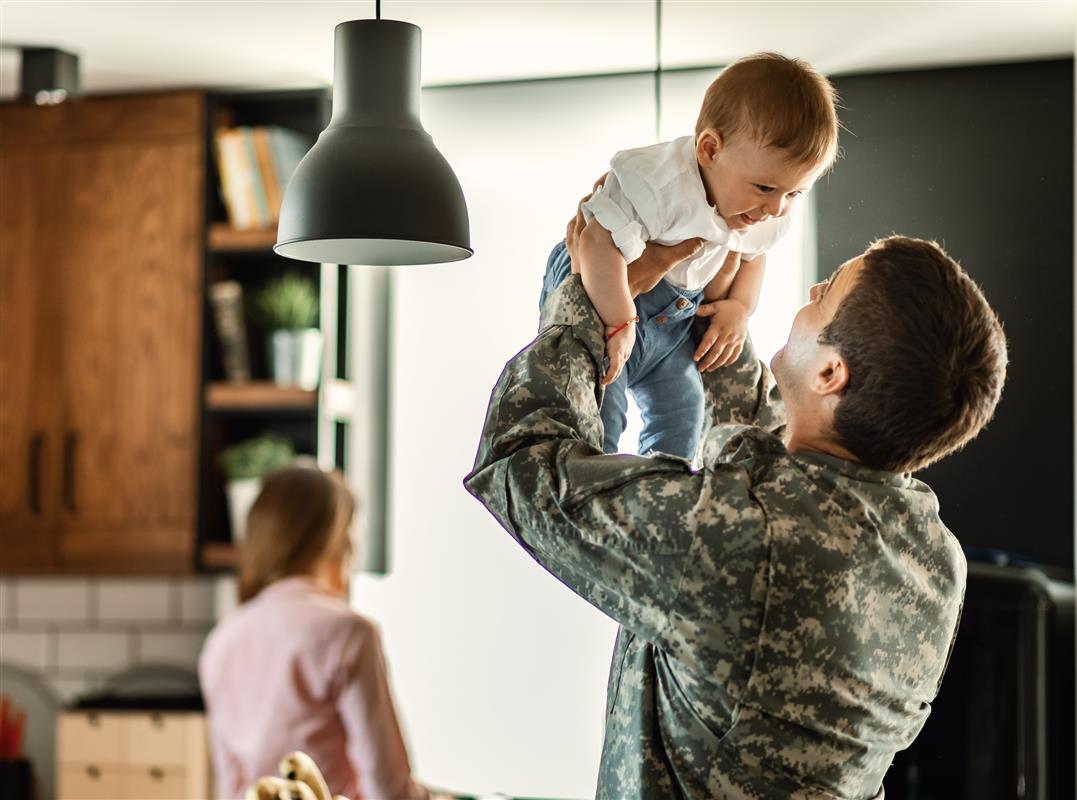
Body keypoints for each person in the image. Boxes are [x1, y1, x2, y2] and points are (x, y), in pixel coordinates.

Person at [466, 210, 1008, 797]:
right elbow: (772, 451)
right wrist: (700, 298)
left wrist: (584, 292)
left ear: (831, 372)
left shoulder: (748, 541)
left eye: (824, 297)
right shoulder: (930, 558)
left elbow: (522, 465)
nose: (810, 292)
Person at [538, 52, 839, 461]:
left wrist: (739, 307)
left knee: (684, 413)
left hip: (674, 324)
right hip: (606, 289)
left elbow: (754, 254)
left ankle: (663, 487)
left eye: (794, 193)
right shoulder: (658, 183)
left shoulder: (761, 206)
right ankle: (598, 485)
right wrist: (619, 320)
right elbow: (593, 244)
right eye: (766, 188)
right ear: (710, 149)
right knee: (602, 408)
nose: (776, 209)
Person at [199, 465, 439, 800]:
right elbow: (387, 791)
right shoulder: (349, 633)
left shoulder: (220, 643)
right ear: (333, 541)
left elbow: (231, 788)